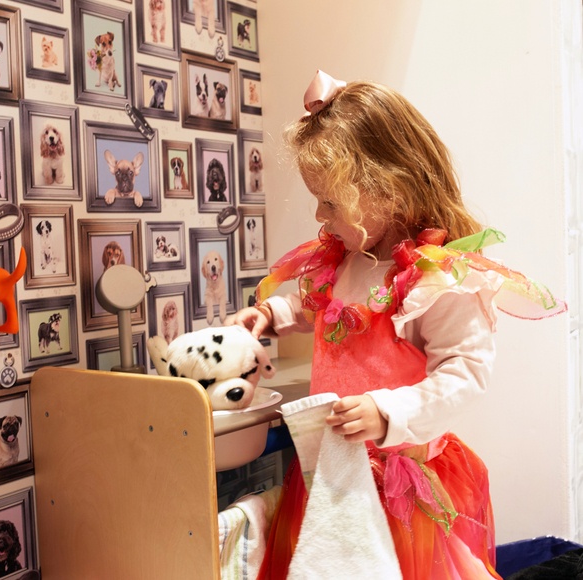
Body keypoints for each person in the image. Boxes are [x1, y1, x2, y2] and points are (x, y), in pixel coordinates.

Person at [228, 71, 566, 579]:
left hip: (400, 486)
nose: (319, 214)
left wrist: (387, 411)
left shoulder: (437, 280)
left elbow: (465, 374)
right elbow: (323, 309)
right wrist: (274, 315)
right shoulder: (346, 258)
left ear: (390, 191)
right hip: (335, 472)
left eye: (330, 201)